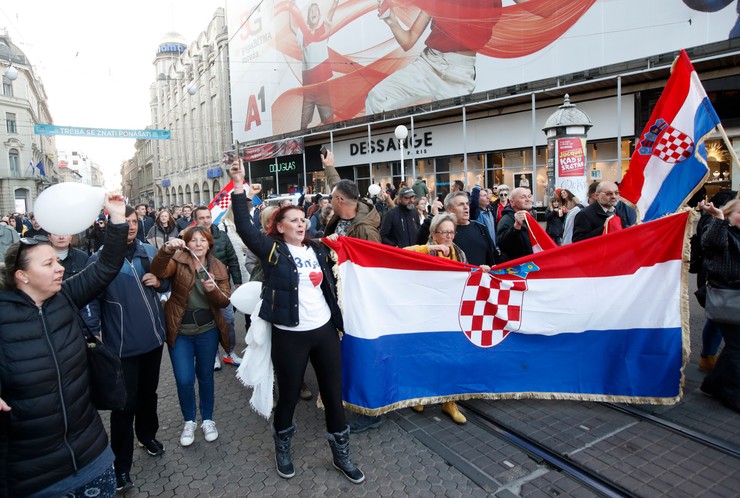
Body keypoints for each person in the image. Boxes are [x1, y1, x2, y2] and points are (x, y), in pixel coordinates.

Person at [229, 161, 365, 484]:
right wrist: (238, 187)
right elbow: (246, 230)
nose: (301, 224)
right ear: (279, 226)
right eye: (294, 220)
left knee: (333, 393)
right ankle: (283, 445)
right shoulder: (273, 251)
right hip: (291, 335)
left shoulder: (318, 248)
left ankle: (341, 453)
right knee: (288, 395)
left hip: (325, 332)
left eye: (303, 219)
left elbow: (355, 243)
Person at [0, 193, 127, 498]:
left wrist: (118, 218)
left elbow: (107, 265)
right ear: (22, 276)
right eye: (49, 263)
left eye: (58, 261)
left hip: (92, 455)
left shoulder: (65, 297)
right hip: (34, 476)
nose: (60, 268)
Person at [83, 205, 169, 492]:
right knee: (124, 406)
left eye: (134, 221)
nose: (131, 226)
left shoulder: (147, 251)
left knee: (149, 394)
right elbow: (90, 299)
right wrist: (96, 332)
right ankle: (121, 466)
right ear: (112, 226)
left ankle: (148, 435)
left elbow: (167, 278)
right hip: (122, 345)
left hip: (154, 340)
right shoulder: (100, 259)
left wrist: (161, 281)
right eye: (125, 222)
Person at [150, 226, 232, 447]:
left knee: (205, 376)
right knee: (184, 379)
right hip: (181, 331)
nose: (198, 244)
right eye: (193, 240)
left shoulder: (217, 266)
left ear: (209, 244)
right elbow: (157, 270)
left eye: (202, 240)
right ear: (186, 243)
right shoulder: (178, 260)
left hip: (207, 331)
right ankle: (189, 421)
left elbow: (224, 300)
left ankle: (207, 419)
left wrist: (212, 289)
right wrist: (166, 249)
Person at [366, 1, 526, 113]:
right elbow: (409, 40)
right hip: (428, 65)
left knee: (450, 131)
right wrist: (392, 21)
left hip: (459, 75)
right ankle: (392, 159)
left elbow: (539, 6)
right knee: (377, 98)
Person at [404, 212, 478, 424]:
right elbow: (400, 253)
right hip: (427, 314)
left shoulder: (460, 253)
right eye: (443, 232)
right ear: (434, 234)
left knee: (452, 357)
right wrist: (429, 249)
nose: (448, 236)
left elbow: (466, 275)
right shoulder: (424, 251)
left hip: (452, 313)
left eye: (451, 232)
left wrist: (478, 270)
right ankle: (421, 395)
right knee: (427, 355)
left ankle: (449, 402)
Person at [698, 198, 740, 413]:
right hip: (728, 298)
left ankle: (713, 383)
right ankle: (732, 392)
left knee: (735, 346)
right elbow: (710, 245)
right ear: (730, 214)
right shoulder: (721, 231)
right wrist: (718, 218)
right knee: (736, 346)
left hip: (735, 298)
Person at [193, 205, 243, 368]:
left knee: (228, 320)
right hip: (200, 288)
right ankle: (213, 356)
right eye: (202, 218)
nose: (206, 221)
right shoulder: (191, 240)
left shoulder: (222, 236)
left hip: (222, 286)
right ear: (196, 220)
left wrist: (237, 283)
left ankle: (230, 353)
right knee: (209, 322)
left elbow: (232, 259)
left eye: (208, 217)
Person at [288, 0, 340, 129]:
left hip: (322, 86)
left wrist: (335, 2)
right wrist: (290, 8)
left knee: (329, 123)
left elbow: (330, 15)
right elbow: (292, 27)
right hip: (309, 89)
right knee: (303, 125)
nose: (313, 12)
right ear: (308, 17)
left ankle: (331, 148)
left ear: (319, 14)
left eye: (315, 10)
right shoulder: (303, 34)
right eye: (311, 10)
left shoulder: (323, 31)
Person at [419, 191, 498, 267]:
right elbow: (422, 242)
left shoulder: (481, 227)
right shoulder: (443, 232)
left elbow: (493, 255)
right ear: (450, 209)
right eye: (461, 204)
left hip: (482, 278)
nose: (466, 207)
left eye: (467, 203)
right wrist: (432, 217)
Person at [322, 150, 381, 243]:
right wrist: (329, 167)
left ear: (339, 200)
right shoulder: (343, 206)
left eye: (331, 197)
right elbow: (336, 185)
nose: (330, 201)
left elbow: (375, 256)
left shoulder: (366, 232)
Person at [497, 187, 535, 262]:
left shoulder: (529, 216)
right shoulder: (506, 220)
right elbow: (502, 245)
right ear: (512, 202)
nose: (528, 199)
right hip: (519, 267)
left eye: (529, 196)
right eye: (523, 197)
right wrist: (515, 227)